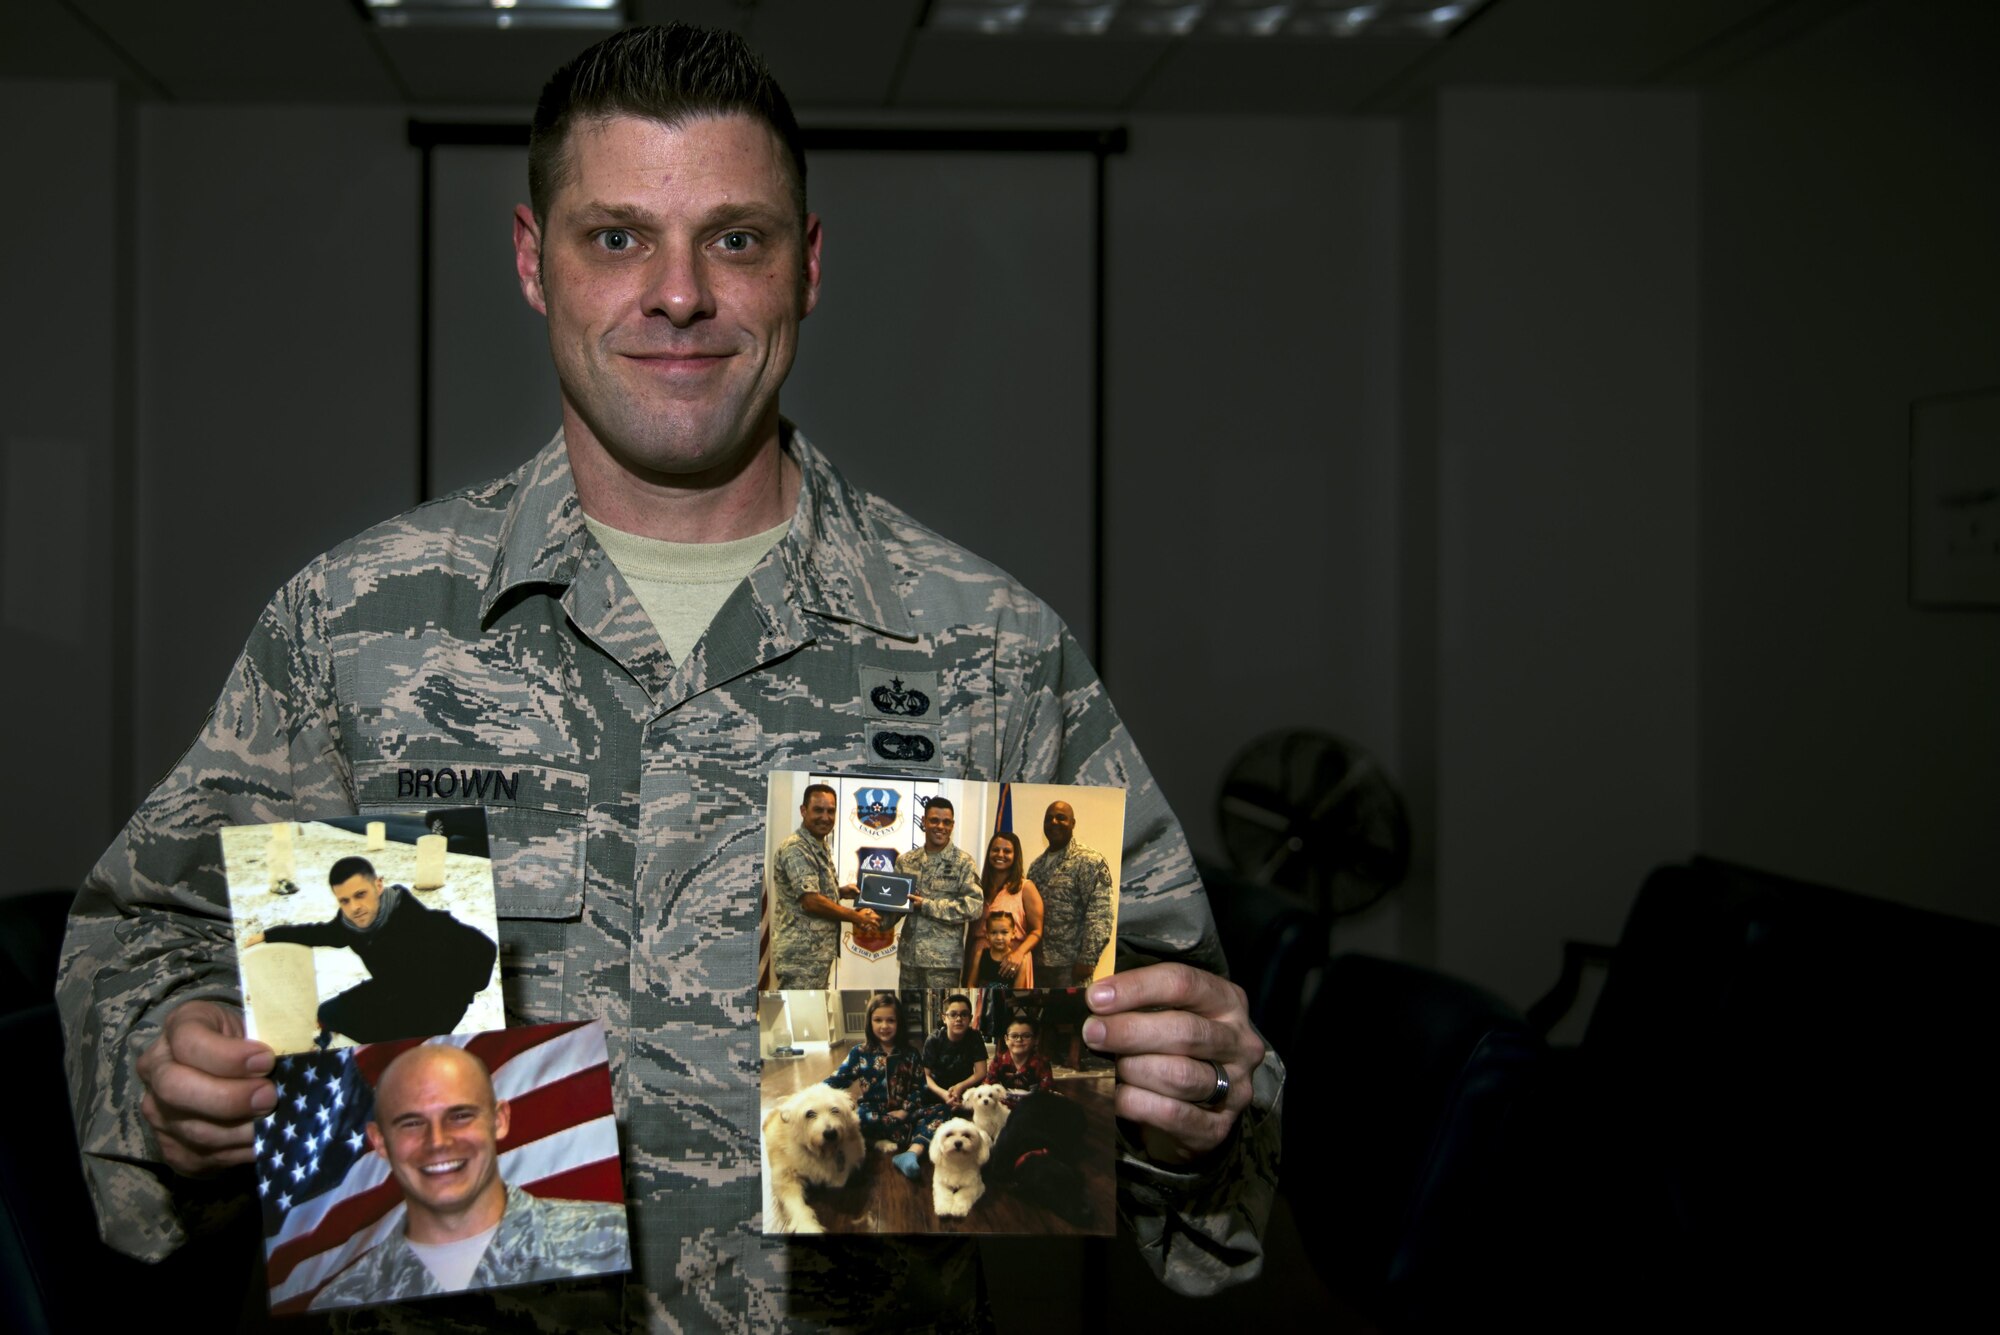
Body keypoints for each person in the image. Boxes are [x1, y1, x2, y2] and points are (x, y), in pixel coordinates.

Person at [58, 22, 1277, 1329]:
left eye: (737, 238)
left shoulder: (986, 648)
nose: (680, 293)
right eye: (618, 235)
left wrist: (1193, 1098)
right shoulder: (354, 626)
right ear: (537, 260)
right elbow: (144, 940)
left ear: (806, 267)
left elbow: (1192, 1066)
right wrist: (167, 1067)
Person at [310, 1044, 629, 1310]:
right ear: (379, 1141)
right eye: (411, 1123)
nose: (438, 1142)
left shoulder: (613, 1240)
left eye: (460, 1116)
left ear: (499, 1121)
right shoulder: (341, 1301)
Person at [243, 857, 497, 1046]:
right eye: (344, 900)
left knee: (392, 1049)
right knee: (328, 1013)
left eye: (360, 895)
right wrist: (269, 935)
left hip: (432, 1008)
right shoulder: (351, 926)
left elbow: (485, 948)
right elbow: (317, 933)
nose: (354, 907)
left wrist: (459, 994)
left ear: (378, 885)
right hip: (389, 991)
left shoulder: (426, 924)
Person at [820, 994, 938, 1182]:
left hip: (904, 1115)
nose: (884, 1026)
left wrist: (905, 1110)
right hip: (873, 1116)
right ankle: (893, 1137)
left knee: (941, 1111)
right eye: (878, 1020)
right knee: (857, 1119)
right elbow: (838, 1079)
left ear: (899, 1023)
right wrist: (809, 1096)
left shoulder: (911, 1053)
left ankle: (910, 1153)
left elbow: (920, 1087)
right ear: (870, 1022)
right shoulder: (860, 1053)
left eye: (890, 1020)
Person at [769, 783, 877, 989]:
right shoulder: (796, 847)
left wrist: (841, 891)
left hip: (815, 953)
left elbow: (810, 891)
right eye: (818, 810)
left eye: (831, 811)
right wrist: (856, 916)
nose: (825, 817)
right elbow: (811, 901)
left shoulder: (817, 843)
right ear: (803, 811)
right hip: (802, 957)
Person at [892, 798, 983, 992]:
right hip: (910, 960)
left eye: (946, 822)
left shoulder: (963, 863)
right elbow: (895, 904)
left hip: (943, 963)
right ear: (924, 821)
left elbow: (974, 907)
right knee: (910, 1012)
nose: (940, 826)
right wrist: (872, 916)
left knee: (942, 1013)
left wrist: (926, 905)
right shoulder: (906, 861)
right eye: (934, 820)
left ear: (952, 825)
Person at [1026, 801, 1115, 986]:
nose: (1054, 822)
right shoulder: (1035, 867)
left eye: (1061, 818)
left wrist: (1088, 959)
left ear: (1073, 823)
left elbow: (1101, 913)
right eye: (1049, 818)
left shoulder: (1088, 860)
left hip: (1071, 968)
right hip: (1037, 965)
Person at [965, 830, 1042, 988]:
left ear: (1015, 856)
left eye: (1007, 851)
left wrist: (1019, 954)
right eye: (995, 850)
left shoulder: (1026, 888)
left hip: (1012, 960)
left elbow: (1037, 931)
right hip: (981, 960)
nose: (1000, 854)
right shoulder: (978, 888)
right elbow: (971, 932)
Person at [920, 994, 988, 1111]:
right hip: (939, 1090)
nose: (959, 1019)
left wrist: (960, 1087)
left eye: (964, 1014)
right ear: (944, 1018)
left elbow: (981, 1072)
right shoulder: (934, 1040)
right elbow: (925, 1075)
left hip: (966, 1087)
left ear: (970, 1018)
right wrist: (943, 1094)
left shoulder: (974, 1037)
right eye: (953, 1014)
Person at [983, 1016, 1056, 1098]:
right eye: (1014, 1036)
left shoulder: (1041, 1063)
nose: (1019, 1040)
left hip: (1032, 1105)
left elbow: (1046, 1092)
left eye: (1026, 1036)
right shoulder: (998, 1061)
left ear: (1035, 1040)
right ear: (1006, 1039)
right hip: (1003, 1106)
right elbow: (988, 1088)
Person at [965, 910, 1020, 988]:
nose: (999, 937)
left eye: (1004, 932)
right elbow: (971, 984)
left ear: (1013, 933)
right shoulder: (980, 955)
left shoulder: (1019, 963)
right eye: (994, 933)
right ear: (987, 934)